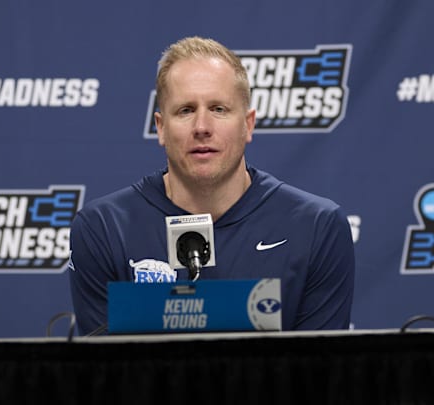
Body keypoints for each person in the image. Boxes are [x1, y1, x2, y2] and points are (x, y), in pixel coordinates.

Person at [68, 36, 355, 335]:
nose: (202, 127)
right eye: (185, 110)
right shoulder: (102, 228)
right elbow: (102, 373)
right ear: (161, 127)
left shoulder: (317, 227)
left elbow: (321, 371)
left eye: (219, 109)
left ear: (248, 124)